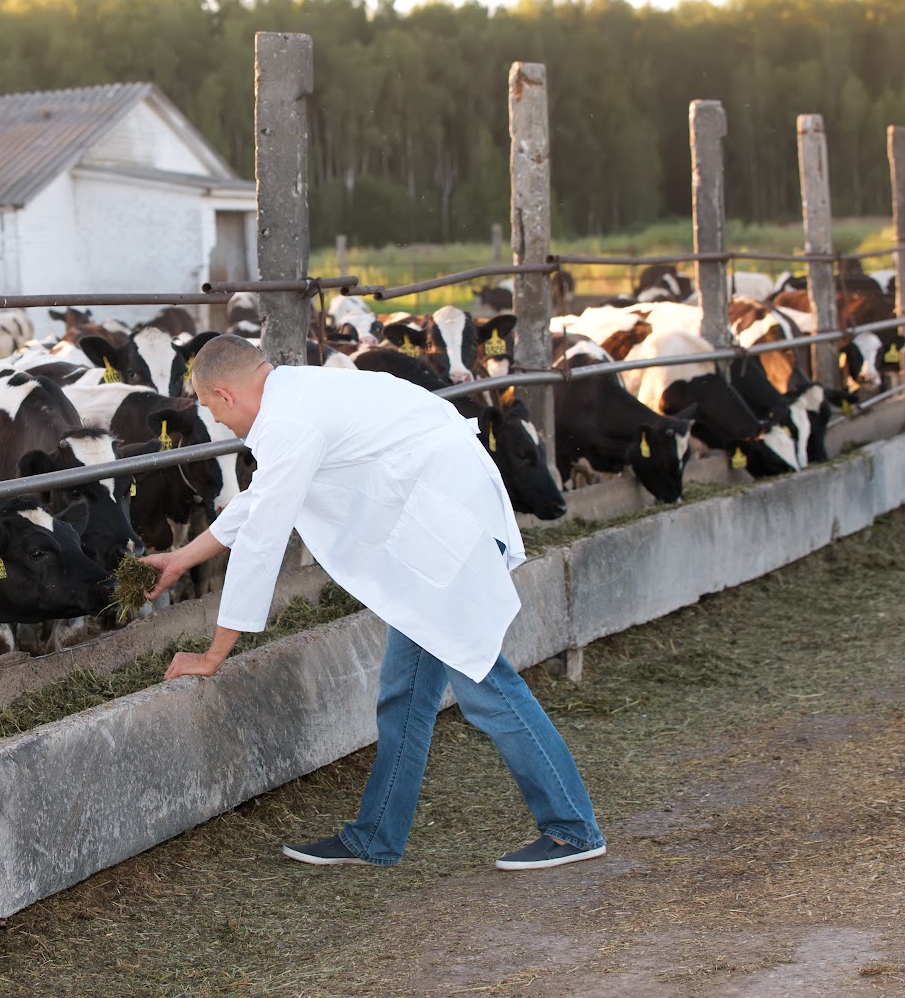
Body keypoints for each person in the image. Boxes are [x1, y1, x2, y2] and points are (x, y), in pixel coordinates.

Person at [142, 334, 604, 870]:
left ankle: (573, 829)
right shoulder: (296, 395)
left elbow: (263, 540)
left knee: (484, 682)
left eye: (211, 409)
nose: (219, 423)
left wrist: (213, 654)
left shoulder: (289, 420)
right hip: (435, 527)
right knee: (404, 694)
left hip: (445, 535)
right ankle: (376, 835)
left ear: (224, 394)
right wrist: (182, 559)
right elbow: (260, 501)